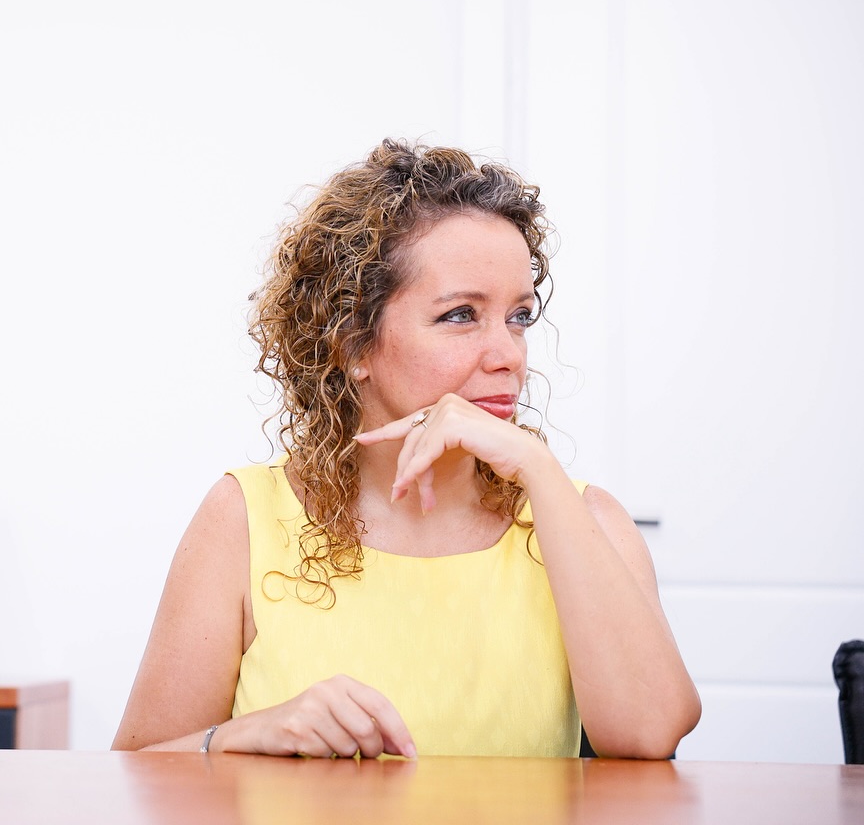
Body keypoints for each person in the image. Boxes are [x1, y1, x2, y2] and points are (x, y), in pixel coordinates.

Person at [112, 139, 700, 760]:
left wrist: (537, 468)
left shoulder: (586, 519)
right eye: (461, 316)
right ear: (353, 344)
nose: (508, 355)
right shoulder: (242, 519)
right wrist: (244, 735)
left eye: (519, 317)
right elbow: (136, 772)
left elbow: (652, 733)